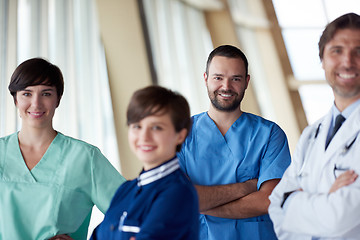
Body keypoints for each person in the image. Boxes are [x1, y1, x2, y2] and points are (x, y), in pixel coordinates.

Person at [0, 58, 126, 240]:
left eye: (46, 93)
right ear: (15, 99)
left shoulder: (84, 158)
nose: (36, 104)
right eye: (27, 94)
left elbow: (131, 214)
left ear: (58, 99)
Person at [177, 44, 291, 239]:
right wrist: (245, 187)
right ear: (206, 79)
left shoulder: (270, 134)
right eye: (218, 78)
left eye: (235, 79)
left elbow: (268, 200)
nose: (226, 87)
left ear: (246, 82)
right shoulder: (181, 134)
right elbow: (179, 198)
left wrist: (200, 205)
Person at [268, 12, 360, 239]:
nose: (347, 62)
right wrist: (324, 198)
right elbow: (275, 207)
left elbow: (339, 217)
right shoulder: (311, 135)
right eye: (337, 51)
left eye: (359, 52)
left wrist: (293, 201)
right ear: (322, 60)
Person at [90, 86, 199, 240]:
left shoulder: (178, 193)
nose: (144, 137)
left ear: (180, 135)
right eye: (137, 126)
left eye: (156, 128)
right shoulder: (126, 189)